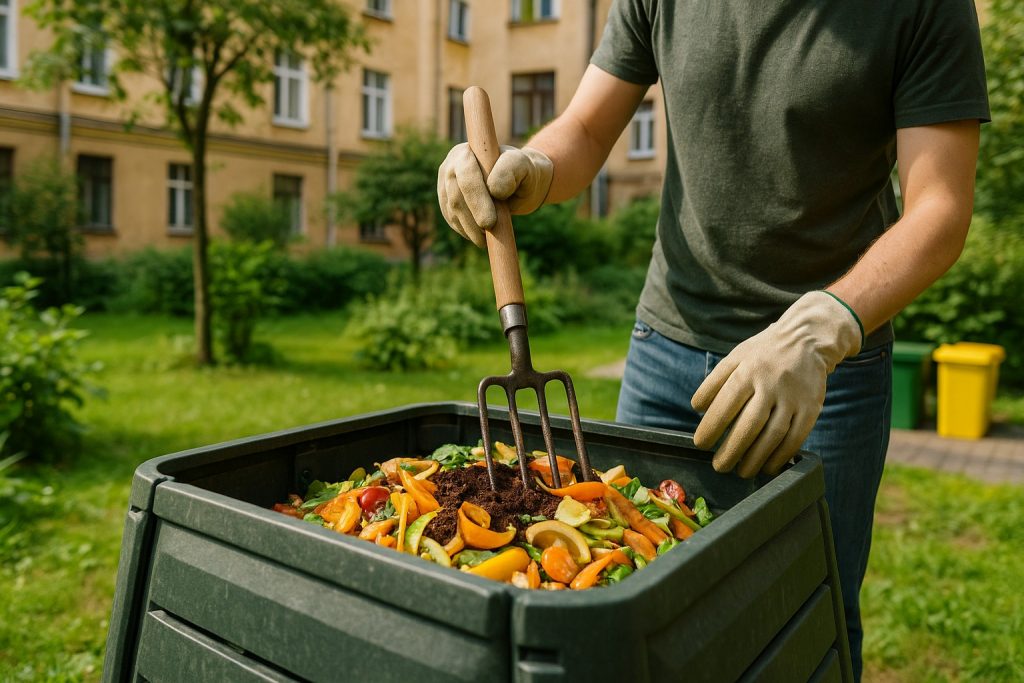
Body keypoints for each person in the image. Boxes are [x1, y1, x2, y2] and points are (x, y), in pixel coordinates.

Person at [437, 1, 988, 679]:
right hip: (667, 352)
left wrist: (824, 327)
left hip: (825, 372)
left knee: (805, 615)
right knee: (635, 599)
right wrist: (534, 166)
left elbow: (940, 206)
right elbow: (584, 126)